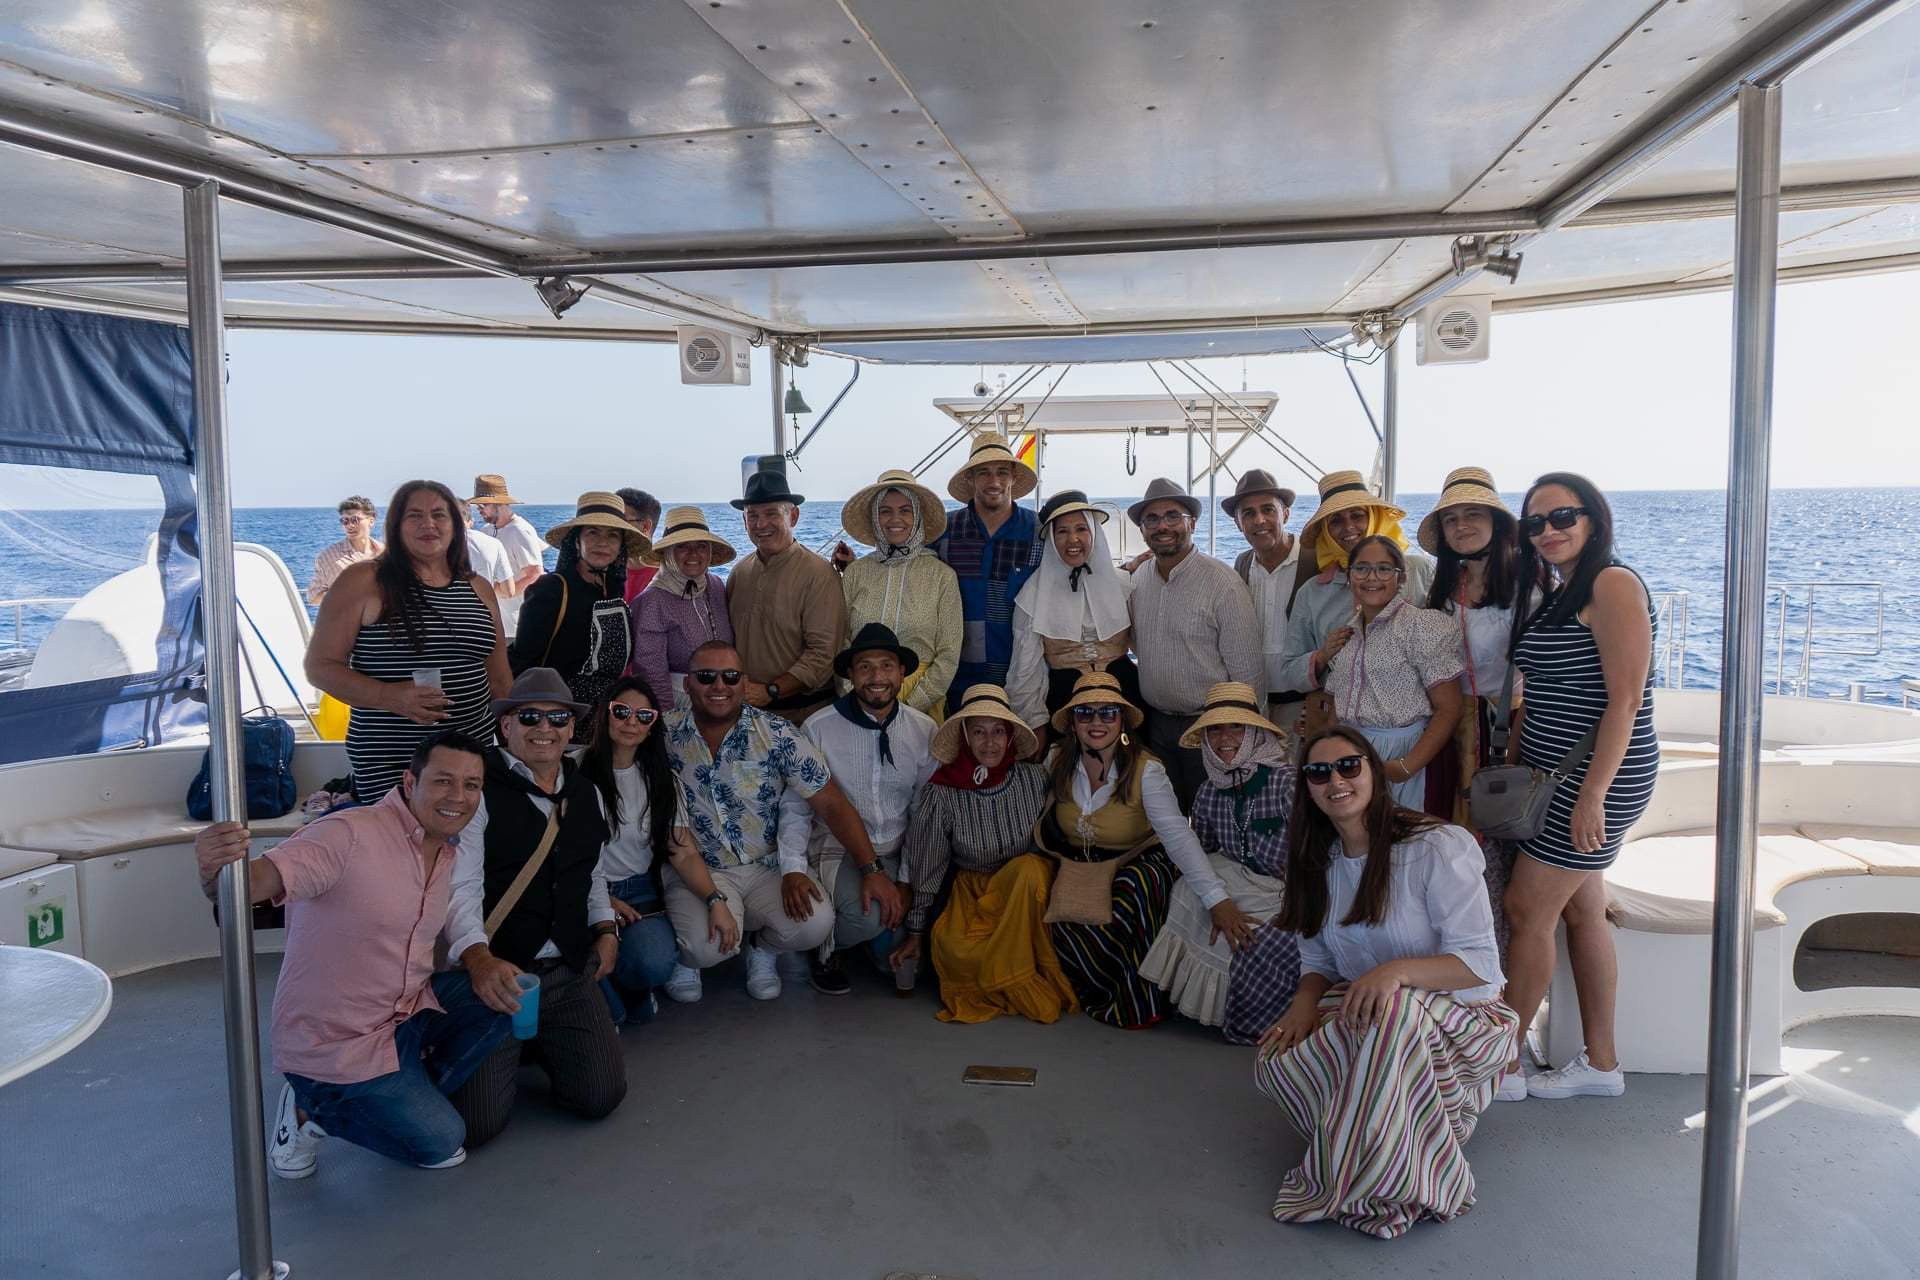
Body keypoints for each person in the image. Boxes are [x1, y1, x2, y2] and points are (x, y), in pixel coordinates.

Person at [192, 731, 509, 1177]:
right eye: (443, 781)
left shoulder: (444, 850)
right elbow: (250, 885)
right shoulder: (347, 835)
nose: (458, 796)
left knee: (502, 999)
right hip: (333, 1045)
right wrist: (212, 870)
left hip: (404, 1015)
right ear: (409, 781)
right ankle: (308, 1109)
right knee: (442, 1143)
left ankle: (397, 1090)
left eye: (471, 785)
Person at [1255, 727, 1517, 1240]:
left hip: (1464, 1023)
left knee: (1393, 1015)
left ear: (1374, 771)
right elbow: (1316, 957)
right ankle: (1400, 1128)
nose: (1335, 780)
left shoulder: (1435, 847)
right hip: (1375, 1013)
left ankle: (1392, 1182)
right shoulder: (1318, 862)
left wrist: (1392, 973)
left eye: (1349, 766)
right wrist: (1303, 1004)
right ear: (1307, 788)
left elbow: (1480, 966)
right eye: (1318, 772)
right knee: (1276, 1057)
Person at [1500, 473, 1659, 1102]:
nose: (1549, 531)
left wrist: (1594, 794)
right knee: (1582, 909)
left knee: (1525, 910)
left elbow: (1625, 701)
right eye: (1535, 523)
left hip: (1588, 781)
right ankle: (1601, 1063)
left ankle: (1502, 1063)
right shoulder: (1565, 588)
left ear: (1593, 517)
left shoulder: (1612, 583)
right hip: (1555, 775)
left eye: (1562, 516)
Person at [443, 669, 627, 1145]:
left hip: (566, 967)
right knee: (478, 1126)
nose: (544, 728)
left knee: (599, 1098)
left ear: (571, 729)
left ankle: (542, 1042)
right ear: (505, 725)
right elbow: (459, 887)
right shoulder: (479, 790)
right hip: (502, 973)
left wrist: (605, 929)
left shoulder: (587, 792)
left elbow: (593, 874)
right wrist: (479, 960)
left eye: (557, 718)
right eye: (529, 716)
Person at [660, 639, 882, 1002]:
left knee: (815, 923)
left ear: (744, 683)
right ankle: (690, 959)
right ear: (687, 683)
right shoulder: (664, 735)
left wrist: (871, 869)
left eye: (730, 676)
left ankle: (762, 951)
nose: (719, 686)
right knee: (704, 948)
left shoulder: (778, 735)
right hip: (699, 869)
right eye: (706, 676)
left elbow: (832, 805)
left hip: (767, 867)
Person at [1038, 671, 1228, 1029]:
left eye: (1108, 712)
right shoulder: (1056, 761)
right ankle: (1074, 986)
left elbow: (1178, 836)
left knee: (1137, 886)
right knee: (1039, 883)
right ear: (1073, 723)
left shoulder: (1147, 770)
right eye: (1085, 714)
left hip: (1134, 858)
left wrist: (1216, 899)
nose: (1097, 722)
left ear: (1122, 720)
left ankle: (1131, 999)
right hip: (1079, 861)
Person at [306, 479, 510, 801]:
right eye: (414, 515)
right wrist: (389, 695)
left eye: (439, 515)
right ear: (395, 526)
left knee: (466, 850)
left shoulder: (478, 587)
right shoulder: (363, 581)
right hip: (393, 763)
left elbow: (499, 678)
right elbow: (320, 667)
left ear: (455, 525)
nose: (428, 523)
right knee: (400, 849)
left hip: (471, 759)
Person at [894, 684, 1072, 1023]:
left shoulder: (1034, 779)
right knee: (955, 951)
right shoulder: (942, 793)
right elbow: (927, 865)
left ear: (1009, 738)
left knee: (1029, 868)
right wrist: (915, 932)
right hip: (973, 893)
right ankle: (1008, 973)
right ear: (964, 737)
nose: (989, 743)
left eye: (997, 732)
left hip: (1029, 895)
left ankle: (1019, 974)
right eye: (978, 732)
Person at [1139, 682, 1302, 1044]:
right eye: (1215, 729)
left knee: (1253, 935)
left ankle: (1250, 1014)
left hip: (1289, 889)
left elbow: (1312, 858)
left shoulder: (1287, 783)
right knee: (1188, 888)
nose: (1224, 738)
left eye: (1236, 727)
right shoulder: (1209, 790)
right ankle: (1204, 1006)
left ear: (1256, 732)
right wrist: (1219, 903)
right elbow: (1206, 852)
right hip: (1239, 882)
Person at [578, 675, 739, 1025]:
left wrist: (716, 900)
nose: (631, 722)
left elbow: (682, 851)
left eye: (644, 716)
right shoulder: (573, 771)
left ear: (653, 725)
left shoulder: (663, 781)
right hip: (579, 889)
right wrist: (601, 900)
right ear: (604, 715)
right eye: (621, 712)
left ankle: (619, 985)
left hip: (638, 892)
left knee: (654, 962)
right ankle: (606, 1000)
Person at [801, 623, 929, 993]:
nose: (877, 677)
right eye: (865, 667)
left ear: (902, 672)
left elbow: (922, 814)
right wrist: (793, 867)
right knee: (867, 919)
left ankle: (866, 940)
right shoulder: (819, 727)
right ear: (851, 676)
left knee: (904, 967)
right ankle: (824, 945)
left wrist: (904, 882)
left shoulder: (923, 729)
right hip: (839, 848)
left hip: (898, 849)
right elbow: (797, 808)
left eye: (887, 665)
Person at [1125, 477, 1264, 807]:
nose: (1163, 526)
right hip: (1155, 725)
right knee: (1165, 818)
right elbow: (1134, 643)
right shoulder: (1138, 579)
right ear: (1142, 529)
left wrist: (1248, 741)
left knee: (1213, 818)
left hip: (1211, 729)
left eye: (1173, 516)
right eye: (1152, 519)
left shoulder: (1222, 583)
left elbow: (1248, 673)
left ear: (1192, 523)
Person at [1275, 470, 1435, 714]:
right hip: (1342, 726)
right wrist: (1323, 655)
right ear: (1326, 531)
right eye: (1336, 520)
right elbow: (1288, 671)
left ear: (1374, 518)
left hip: (1414, 722)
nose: (1348, 527)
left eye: (1357, 516)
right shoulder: (1311, 593)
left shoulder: (1418, 570)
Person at [1323, 536, 1464, 811]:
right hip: (1352, 755)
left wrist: (1406, 766)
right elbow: (1337, 704)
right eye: (1362, 568)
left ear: (1401, 578)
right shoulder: (1348, 634)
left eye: (1384, 569)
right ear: (1350, 576)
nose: (1372, 577)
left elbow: (1450, 708)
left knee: (1402, 839)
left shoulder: (1420, 627)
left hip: (1403, 753)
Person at [1419, 467, 1525, 825]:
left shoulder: (1528, 589)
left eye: (1472, 514)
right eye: (1450, 519)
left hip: (1506, 726)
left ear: (1496, 522)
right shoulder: (1444, 588)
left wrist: (1512, 750)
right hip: (1449, 727)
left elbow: (1543, 680)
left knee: (1500, 824)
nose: (1460, 525)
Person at [1005, 490, 1137, 737]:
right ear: (1052, 539)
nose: (1073, 539)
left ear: (1093, 532)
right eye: (1062, 531)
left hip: (1125, 696)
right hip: (1064, 702)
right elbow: (1026, 667)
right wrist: (1035, 721)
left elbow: (1150, 648)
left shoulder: (1123, 584)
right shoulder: (1033, 594)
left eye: (1081, 529)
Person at [930, 433, 1044, 712]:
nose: (994, 482)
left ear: (1013, 477)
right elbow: (912, 574)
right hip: (954, 684)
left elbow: (1074, 575)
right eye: (984, 473)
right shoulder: (943, 530)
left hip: (1020, 683)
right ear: (970, 479)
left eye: (1002, 472)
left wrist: (1130, 570)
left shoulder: (1039, 532)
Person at [837, 469, 963, 720]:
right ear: (875, 518)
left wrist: (908, 708)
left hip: (923, 703)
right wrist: (858, 700)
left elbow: (949, 654)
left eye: (905, 510)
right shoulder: (855, 573)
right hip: (861, 700)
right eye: (885, 511)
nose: (896, 519)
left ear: (917, 517)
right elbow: (841, 643)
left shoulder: (942, 576)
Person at [725, 470, 848, 723]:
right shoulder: (739, 573)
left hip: (804, 717)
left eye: (771, 513)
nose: (761, 524)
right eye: (753, 516)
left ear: (793, 516)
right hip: (747, 715)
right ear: (743, 522)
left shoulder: (819, 574)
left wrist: (771, 691)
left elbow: (823, 655)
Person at [508, 493, 650, 708]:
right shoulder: (551, 590)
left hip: (604, 717)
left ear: (621, 546)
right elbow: (523, 664)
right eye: (593, 533)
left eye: (613, 535)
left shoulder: (613, 592)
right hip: (559, 715)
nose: (602, 543)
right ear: (577, 541)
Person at [628, 506, 736, 708]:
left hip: (724, 695)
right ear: (668, 552)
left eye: (701, 546)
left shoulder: (716, 585)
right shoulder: (652, 601)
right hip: (680, 701)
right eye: (682, 546)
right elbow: (652, 674)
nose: (693, 553)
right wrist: (669, 721)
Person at [1223, 471, 1301, 725]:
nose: (1259, 520)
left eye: (1268, 509)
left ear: (1285, 514)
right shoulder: (1242, 564)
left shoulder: (1316, 560)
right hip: (1256, 703)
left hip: (1303, 704)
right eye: (1248, 513)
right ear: (1238, 523)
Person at [468, 474, 545, 635]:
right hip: (491, 625)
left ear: (500, 504)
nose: (479, 509)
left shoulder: (520, 530)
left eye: (483, 504)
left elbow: (535, 574)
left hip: (516, 626)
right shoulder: (485, 532)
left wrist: (501, 591)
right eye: (478, 505)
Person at [308, 495, 383, 605]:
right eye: (345, 521)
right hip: (348, 621)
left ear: (371, 521)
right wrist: (344, 593)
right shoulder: (328, 557)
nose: (350, 525)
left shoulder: (387, 553)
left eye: (355, 520)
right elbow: (314, 597)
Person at [617, 487, 662, 603]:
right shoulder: (604, 571)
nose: (614, 529)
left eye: (621, 522)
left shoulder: (671, 576)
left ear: (646, 526)